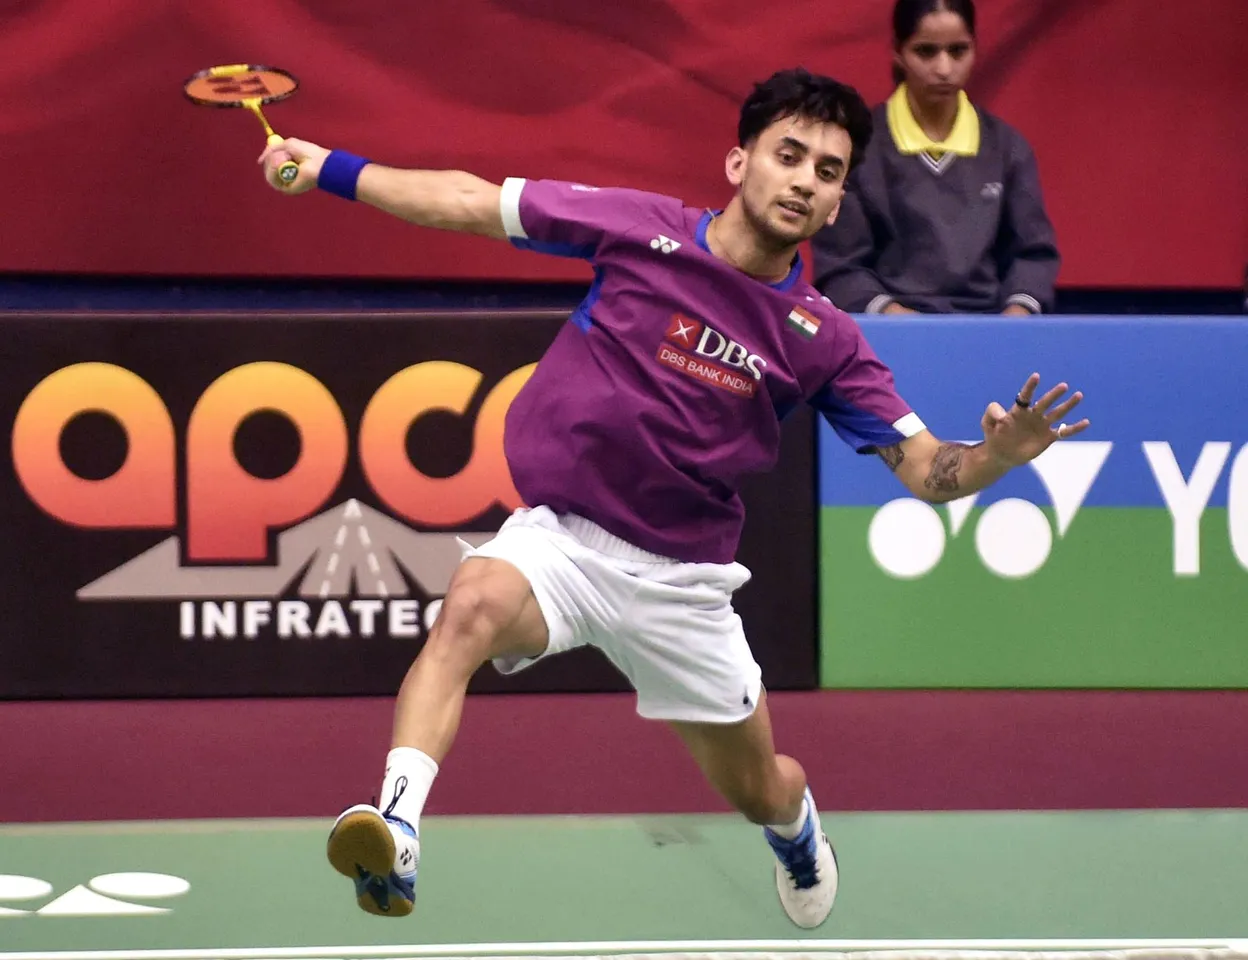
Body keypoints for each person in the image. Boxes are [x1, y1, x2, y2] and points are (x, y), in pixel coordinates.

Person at [257, 67, 1087, 930]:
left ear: (839, 202)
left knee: (760, 786)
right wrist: (329, 169)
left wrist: (997, 457)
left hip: (682, 583)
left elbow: (924, 469)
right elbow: (469, 200)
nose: (804, 181)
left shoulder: (824, 339)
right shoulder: (637, 228)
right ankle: (397, 830)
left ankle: (794, 829)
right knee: (470, 603)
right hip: (563, 541)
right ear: (738, 162)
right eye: (788, 155)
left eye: (827, 171)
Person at [812, 0, 1060, 317]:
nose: (944, 68)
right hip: (885, 332)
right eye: (926, 52)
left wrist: (1014, 320)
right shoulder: (857, 148)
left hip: (991, 326)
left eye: (958, 51)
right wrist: (903, 322)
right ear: (898, 52)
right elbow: (841, 268)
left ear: (975, 49)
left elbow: (1033, 256)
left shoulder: (1008, 148)